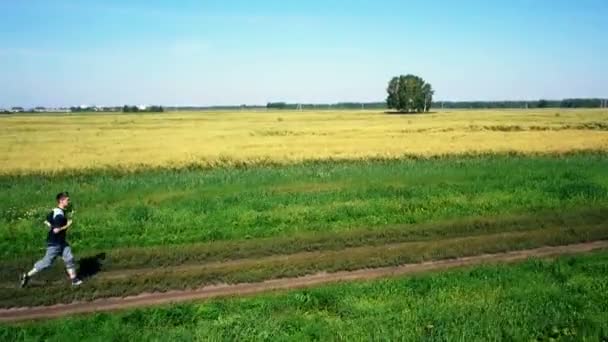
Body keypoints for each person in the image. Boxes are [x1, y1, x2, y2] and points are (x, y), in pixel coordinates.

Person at [20, 192, 82, 287]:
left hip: (61, 241)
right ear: (61, 201)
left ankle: (74, 280)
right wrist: (67, 225)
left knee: (69, 258)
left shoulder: (56, 210)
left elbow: (46, 220)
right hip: (54, 243)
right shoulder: (59, 215)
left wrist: (52, 225)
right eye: (67, 200)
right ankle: (27, 276)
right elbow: (56, 231)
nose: (69, 202)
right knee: (47, 262)